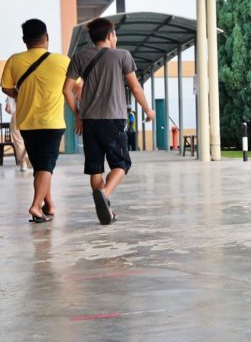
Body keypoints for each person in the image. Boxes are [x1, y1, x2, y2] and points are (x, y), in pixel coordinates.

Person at [63, 18, 154, 225]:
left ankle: (105, 210)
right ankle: (104, 195)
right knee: (122, 164)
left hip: (89, 121)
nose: (117, 37)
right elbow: (136, 88)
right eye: (115, 34)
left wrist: (78, 115)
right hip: (113, 120)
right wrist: (148, 110)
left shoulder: (80, 56)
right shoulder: (122, 56)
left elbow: (66, 89)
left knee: (96, 168)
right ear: (110, 36)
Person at [0, 19, 71, 222]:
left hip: (27, 123)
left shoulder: (14, 60)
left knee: (40, 166)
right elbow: (76, 87)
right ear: (47, 37)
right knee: (46, 166)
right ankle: (35, 206)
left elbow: (5, 87)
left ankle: (49, 204)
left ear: (24, 40)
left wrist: (20, 94)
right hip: (52, 123)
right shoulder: (62, 61)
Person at [5, 96, 30, 171]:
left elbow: (8, 109)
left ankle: (23, 164)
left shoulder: (9, 94)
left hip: (16, 117)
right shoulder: (27, 90)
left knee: (18, 142)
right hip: (28, 116)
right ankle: (27, 155)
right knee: (29, 139)